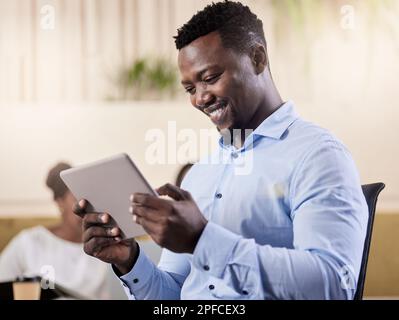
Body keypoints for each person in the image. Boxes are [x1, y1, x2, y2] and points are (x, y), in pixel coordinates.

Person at [75, 1, 368, 299]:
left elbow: (332, 285)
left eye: (210, 78)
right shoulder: (199, 175)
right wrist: (129, 260)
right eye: (190, 88)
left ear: (257, 58)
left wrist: (202, 239)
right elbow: (175, 296)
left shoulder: (318, 156)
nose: (201, 98)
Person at [0, 162, 113, 299]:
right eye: (78, 200)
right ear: (60, 202)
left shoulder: (107, 247)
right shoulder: (29, 241)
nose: (86, 208)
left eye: (90, 200)